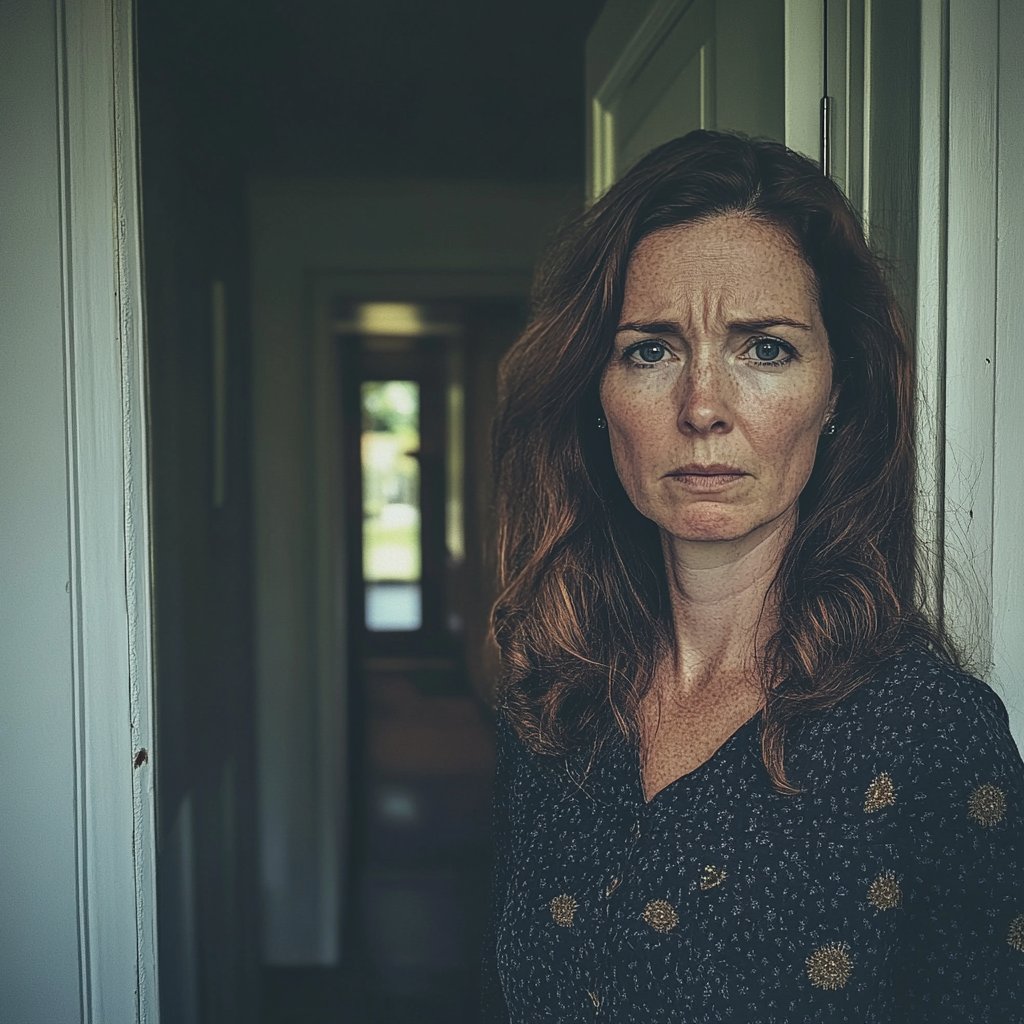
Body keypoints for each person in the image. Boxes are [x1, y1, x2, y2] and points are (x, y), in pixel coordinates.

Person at [479, 129, 1024, 1022]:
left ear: (837, 389)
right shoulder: (552, 707)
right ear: (596, 391)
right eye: (651, 350)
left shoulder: (929, 737)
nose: (702, 408)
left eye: (764, 348)